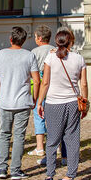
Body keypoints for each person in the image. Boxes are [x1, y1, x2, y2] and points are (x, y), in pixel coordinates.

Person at [37, 29, 88, 180]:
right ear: (71, 42)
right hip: (73, 102)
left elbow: (45, 82)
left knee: (52, 140)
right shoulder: (79, 59)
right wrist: (85, 103)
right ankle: (70, 175)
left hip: (53, 102)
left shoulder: (50, 57)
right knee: (72, 139)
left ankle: (49, 175)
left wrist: (39, 102)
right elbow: (84, 84)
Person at [0, 26, 40, 180]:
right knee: (19, 136)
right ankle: (15, 170)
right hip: (23, 101)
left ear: (10, 39)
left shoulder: (1, 54)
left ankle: (2, 168)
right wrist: (35, 98)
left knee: (4, 134)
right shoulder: (29, 55)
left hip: (5, 101)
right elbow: (36, 80)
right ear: (24, 41)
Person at [29, 25, 54, 157]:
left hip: (39, 83)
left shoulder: (34, 52)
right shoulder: (54, 50)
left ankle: (40, 147)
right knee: (53, 116)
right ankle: (57, 145)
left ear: (39, 38)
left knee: (39, 114)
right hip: (53, 84)